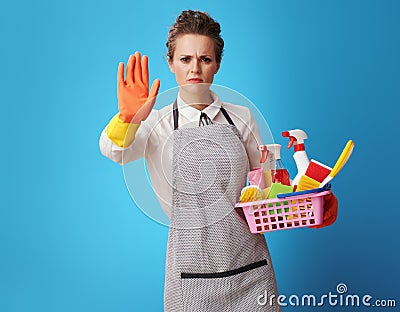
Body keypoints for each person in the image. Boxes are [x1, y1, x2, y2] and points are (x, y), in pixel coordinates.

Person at [99, 10, 338, 311]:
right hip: (189, 275)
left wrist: (308, 202)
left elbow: (265, 190)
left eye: (205, 59)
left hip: (251, 270)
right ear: (171, 63)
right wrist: (127, 119)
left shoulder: (242, 117)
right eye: (185, 59)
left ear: (218, 65)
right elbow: (113, 150)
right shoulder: (155, 124)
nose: (194, 69)